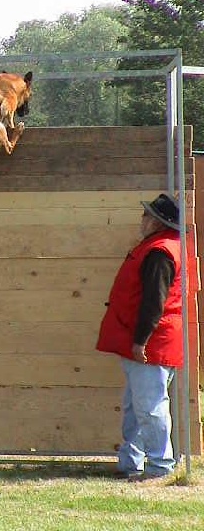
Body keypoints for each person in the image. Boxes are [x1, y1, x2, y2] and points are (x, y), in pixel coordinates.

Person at [96, 193, 183, 481]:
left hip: (151, 345)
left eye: (147, 216)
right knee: (138, 406)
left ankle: (160, 467)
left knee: (150, 407)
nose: (142, 219)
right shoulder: (160, 248)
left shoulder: (159, 253)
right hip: (151, 343)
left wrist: (141, 341)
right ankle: (131, 463)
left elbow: (153, 303)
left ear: (158, 223)